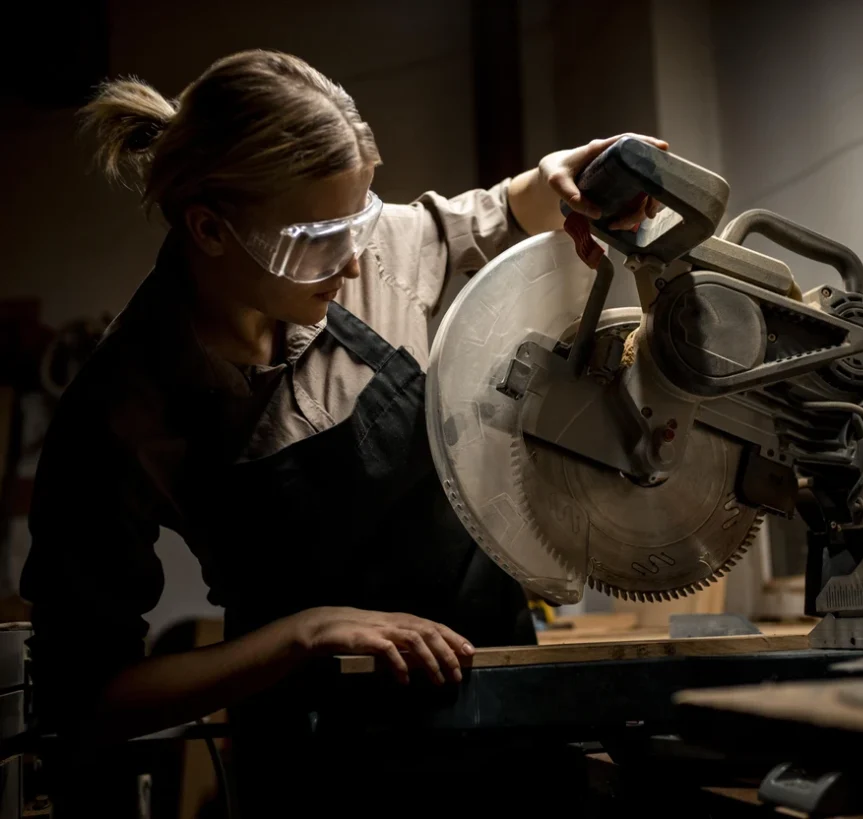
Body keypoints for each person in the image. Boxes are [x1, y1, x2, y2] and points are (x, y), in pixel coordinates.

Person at [20, 49, 666, 813]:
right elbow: (89, 698)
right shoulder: (121, 412)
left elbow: (498, 210)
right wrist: (305, 634)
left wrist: (566, 178)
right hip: (320, 764)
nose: (357, 262)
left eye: (360, 220)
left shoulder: (369, 249)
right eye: (321, 238)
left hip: (501, 721)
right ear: (209, 228)